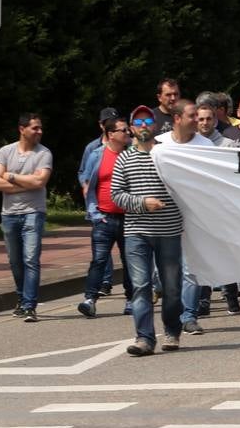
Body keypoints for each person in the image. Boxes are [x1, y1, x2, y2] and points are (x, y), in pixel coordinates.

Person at [111, 104, 186, 356]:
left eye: (147, 122)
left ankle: (172, 330)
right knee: (141, 285)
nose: (143, 127)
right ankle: (144, 337)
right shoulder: (124, 157)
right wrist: (143, 203)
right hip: (137, 231)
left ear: (154, 125)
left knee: (172, 287)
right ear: (132, 128)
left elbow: (185, 187)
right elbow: (117, 195)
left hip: (169, 230)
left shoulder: (168, 154)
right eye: (138, 123)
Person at [156, 100, 217, 336]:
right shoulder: (159, 145)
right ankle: (170, 307)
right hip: (162, 217)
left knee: (190, 268)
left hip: (194, 216)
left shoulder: (206, 145)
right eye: (193, 116)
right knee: (164, 271)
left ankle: (188, 316)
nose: (197, 121)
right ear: (178, 119)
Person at [0, 113, 53, 322]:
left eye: (40, 128)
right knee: (15, 261)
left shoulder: (44, 154)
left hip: (33, 213)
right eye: (35, 128)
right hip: (9, 215)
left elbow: (39, 183)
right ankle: (21, 297)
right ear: (22, 129)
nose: (39, 132)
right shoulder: (5, 152)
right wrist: (25, 182)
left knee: (31, 259)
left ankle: (29, 305)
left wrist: (10, 176)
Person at [77, 116, 132, 319]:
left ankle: (131, 300)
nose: (127, 133)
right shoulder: (97, 155)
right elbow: (88, 183)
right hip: (104, 218)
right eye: (123, 130)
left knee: (129, 261)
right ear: (111, 134)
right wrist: (95, 214)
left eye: (127, 130)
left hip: (128, 218)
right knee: (99, 260)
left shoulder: (131, 154)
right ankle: (89, 300)